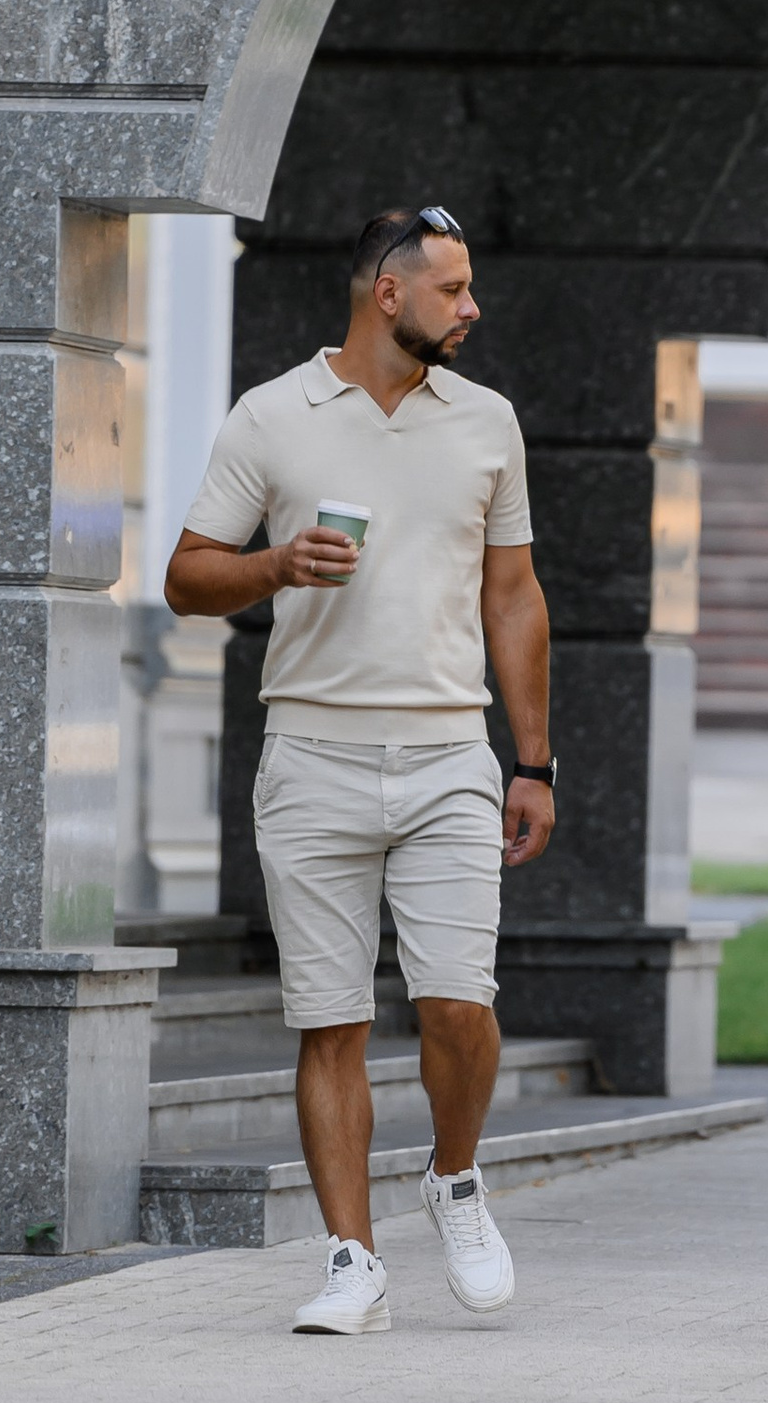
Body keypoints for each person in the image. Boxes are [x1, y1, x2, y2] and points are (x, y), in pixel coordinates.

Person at [165, 202, 555, 1337]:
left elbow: (514, 597)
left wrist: (534, 760)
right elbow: (186, 577)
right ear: (388, 294)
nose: (472, 306)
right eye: (452, 288)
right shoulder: (271, 415)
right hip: (311, 754)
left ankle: (455, 1176)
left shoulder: (487, 421)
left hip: (448, 752)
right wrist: (276, 565)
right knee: (329, 1018)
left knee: (459, 1006)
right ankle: (353, 1261)